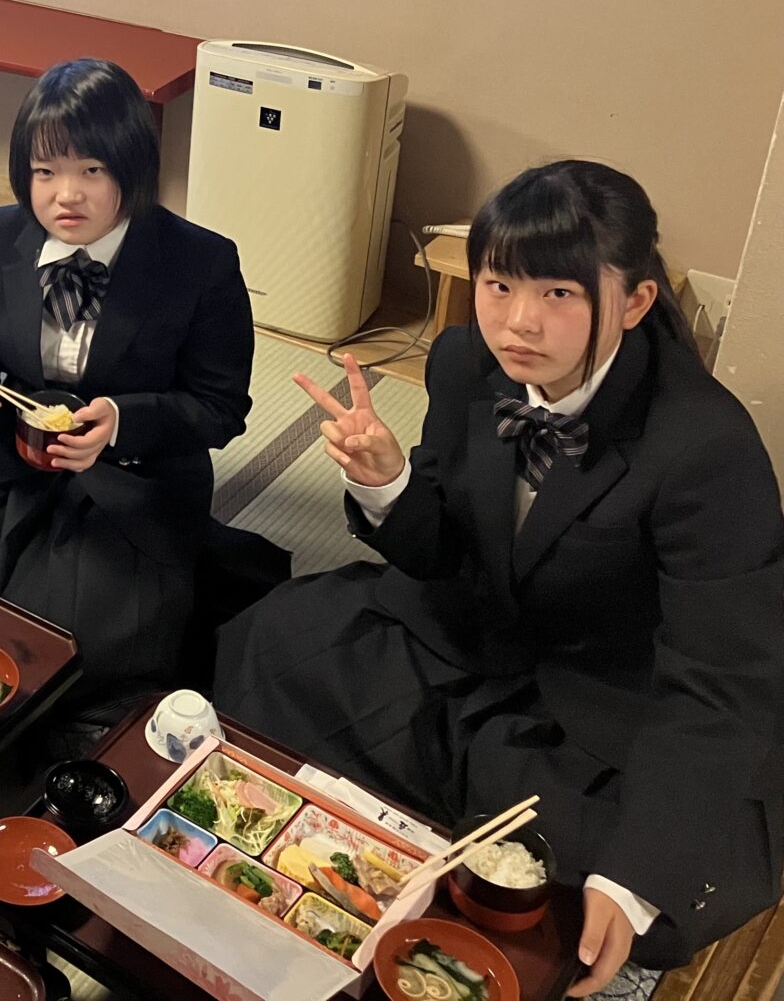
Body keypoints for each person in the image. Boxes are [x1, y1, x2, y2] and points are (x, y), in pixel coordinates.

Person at [217, 161, 784, 990]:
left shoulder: (707, 448)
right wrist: (387, 484)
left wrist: (632, 882)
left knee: (620, 878)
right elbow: (445, 549)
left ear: (634, 302)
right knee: (273, 640)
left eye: (560, 293)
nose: (519, 321)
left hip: (602, 693)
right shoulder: (463, 362)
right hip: (472, 632)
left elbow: (722, 683)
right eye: (500, 284)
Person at [0, 58, 253, 701]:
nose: (66, 196)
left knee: (76, 652)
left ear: (132, 168)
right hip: (8, 457)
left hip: (134, 478)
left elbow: (221, 407)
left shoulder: (201, 263)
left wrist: (123, 423)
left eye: (92, 170)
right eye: (45, 172)